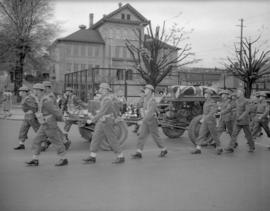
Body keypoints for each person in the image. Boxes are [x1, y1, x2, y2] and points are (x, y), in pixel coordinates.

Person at [25, 83, 68, 167]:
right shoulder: (40, 99)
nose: (34, 92)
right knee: (36, 140)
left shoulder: (47, 100)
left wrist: (62, 118)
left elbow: (56, 111)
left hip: (50, 123)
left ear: (40, 91)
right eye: (34, 90)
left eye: (35, 90)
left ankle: (64, 159)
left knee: (56, 141)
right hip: (44, 124)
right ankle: (35, 159)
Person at [82, 83, 125, 164]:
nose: (100, 90)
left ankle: (120, 156)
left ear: (107, 90)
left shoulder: (107, 99)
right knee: (96, 137)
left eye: (103, 89)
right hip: (102, 121)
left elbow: (102, 112)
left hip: (107, 121)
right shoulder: (103, 98)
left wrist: (92, 120)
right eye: (100, 89)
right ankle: (92, 156)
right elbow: (110, 110)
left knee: (111, 139)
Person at [131, 84, 168, 159]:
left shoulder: (152, 100)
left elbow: (150, 113)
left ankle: (164, 149)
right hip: (146, 120)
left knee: (155, 136)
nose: (145, 90)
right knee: (141, 136)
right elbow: (144, 110)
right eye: (145, 89)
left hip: (152, 120)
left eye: (147, 89)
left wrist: (142, 121)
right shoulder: (145, 99)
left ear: (151, 91)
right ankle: (139, 152)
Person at [191, 89, 223, 155]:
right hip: (205, 121)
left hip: (211, 121)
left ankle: (219, 147)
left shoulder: (213, 103)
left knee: (214, 135)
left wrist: (205, 118)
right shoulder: (206, 102)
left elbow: (212, 112)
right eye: (205, 94)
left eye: (206, 94)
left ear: (209, 95)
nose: (205, 95)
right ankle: (198, 149)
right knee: (201, 134)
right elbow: (205, 112)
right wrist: (203, 118)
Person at [14, 85, 40, 150]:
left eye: (20, 91)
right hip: (27, 117)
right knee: (23, 130)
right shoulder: (25, 98)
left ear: (24, 92)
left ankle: (45, 142)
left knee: (38, 130)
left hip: (31, 117)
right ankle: (21, 144)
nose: (19, 92)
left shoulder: (28, 98)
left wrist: (31, 112)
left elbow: (35, 107)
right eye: (19, 91)